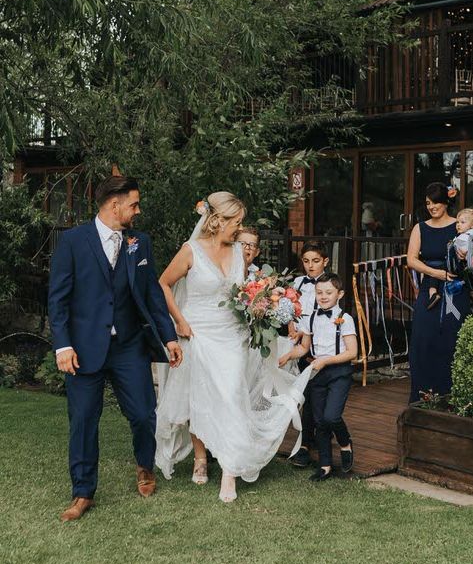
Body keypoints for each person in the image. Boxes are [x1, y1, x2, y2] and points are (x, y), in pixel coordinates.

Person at [154, 192, 312, 502]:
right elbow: (163, 284)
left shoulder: (239, 252)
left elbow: (246, 292)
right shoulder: (191, 251)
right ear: (217, 221)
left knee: (230, 396)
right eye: (235, 223)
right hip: (197, 332)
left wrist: (265, 302)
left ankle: (230, 468)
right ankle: (200, 459)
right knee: (199, 397)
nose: (238, 230)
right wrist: (180, 321)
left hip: (233, 336)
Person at [48, 175, 183, 522]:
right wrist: (62, 344)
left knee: (142, 413)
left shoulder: (141, 243)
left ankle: (144, 465)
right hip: (82, 348)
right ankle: (82, 492)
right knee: (82, 421)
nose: (137, 211)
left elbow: (152, 294)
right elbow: (58, 300)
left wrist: (169, 337)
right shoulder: (73, 242)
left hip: (128, 347)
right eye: (134, 204)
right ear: (114, 204)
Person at [278, 274, 357, 481]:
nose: (323, 297)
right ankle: (325, 465)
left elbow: (352, 352)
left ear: (339, 294)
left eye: (328, 293)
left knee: (332, 416)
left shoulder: (345, 319)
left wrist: (326, 361)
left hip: (339, 372)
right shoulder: (310, 317)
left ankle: (345, 442)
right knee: (320, 420)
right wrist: (287, 355)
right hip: (316, 373)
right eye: (319, 292)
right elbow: (304, 348)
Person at [406, 183, 471, 403]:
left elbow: (472, 254)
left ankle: (450, 393)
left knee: (453, 337)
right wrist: (435, 272)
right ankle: (423, 394)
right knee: (423, 337)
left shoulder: (459, 226)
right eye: (428, 203)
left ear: (446, 201)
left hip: (456, 287)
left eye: (436, 202)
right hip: (430, 287)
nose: (432, 206)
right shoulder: (420, 228)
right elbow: (411, 259)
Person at [288, 241, 330, 468]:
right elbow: (291, 308)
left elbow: (326, 315)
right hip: (298, 340)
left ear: (325, 261)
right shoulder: (297, 282)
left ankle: (306, 444)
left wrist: (308, 337)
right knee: (301, 393)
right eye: (306, 261)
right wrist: (291, 327)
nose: (310, 266)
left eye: (315, 261)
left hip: (318, 343)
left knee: (314, 394)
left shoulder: (329, 285)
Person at [424, 207, 473, 310]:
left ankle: (433, 292)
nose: (458, 225)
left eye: (462, 222)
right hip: (463, 267)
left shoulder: (465, 237)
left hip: (455, 264)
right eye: (457, 222)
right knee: (469, 275)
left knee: (436, 271)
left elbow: (463, 251)